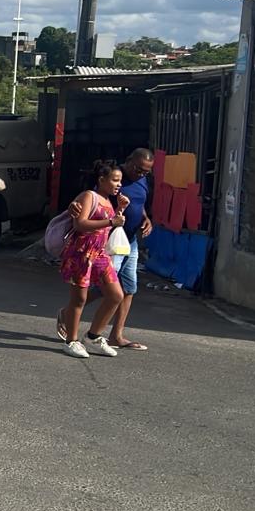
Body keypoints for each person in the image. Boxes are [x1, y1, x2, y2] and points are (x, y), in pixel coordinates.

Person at [73, 149, 154, 350]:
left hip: (129, 241)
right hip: (109, 241)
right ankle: (69, 314)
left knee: (128, 287)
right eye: (138, 169)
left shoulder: (142, 181)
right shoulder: (114, 177)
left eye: (146, 172)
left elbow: (139, 203)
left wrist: (145, 218)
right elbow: (92, 202)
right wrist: (74, 207)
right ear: (128, 161)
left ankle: (116, 335)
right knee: (107, 287)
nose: (141, 174)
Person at [55, 159, 128, 358]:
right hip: (81, 253)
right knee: (79, 299)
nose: (119, 184)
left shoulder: (109, 201)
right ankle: (71, 341)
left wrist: (120, 211)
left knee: (115, 295)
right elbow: (80, 224)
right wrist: (113, 220)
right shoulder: (90, 196)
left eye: (120, 180)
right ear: (102, 179)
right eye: (115, 180)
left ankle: (94, 336)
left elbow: (109, 226)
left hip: (100, 254)